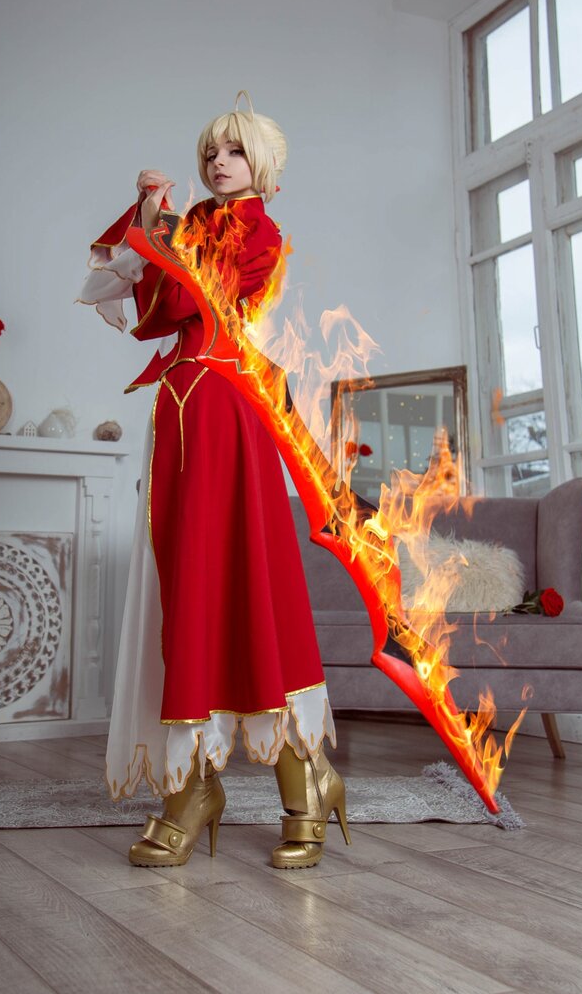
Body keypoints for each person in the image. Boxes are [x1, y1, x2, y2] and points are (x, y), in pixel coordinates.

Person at [79, 91, 350, 869]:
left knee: (249, 584)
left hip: (229, 412)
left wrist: (159, 226)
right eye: (210, 152)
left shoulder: (259, 232)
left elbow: (204, 295)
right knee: (186, 588)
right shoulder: (193, 225)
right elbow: (152, 309)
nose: (218, 162)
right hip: (178, 411)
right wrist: (154, 219)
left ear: (262, 163)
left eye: (233, 151)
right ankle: (192, 788)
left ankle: (304, 780)